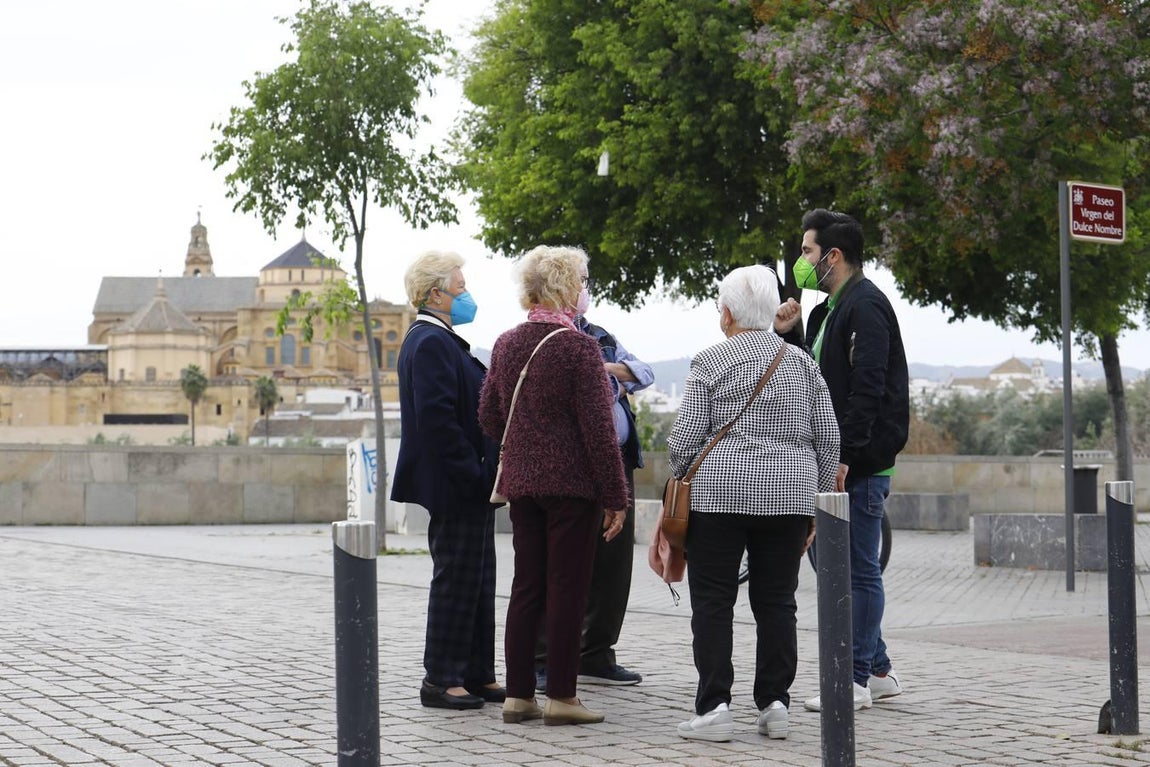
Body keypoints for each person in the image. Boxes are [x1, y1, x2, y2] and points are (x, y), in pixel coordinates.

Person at [669, 264, 840, 742]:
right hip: (789, 498)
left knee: (713, 602)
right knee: (778, 602)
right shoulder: (802, 363)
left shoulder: (710, 361)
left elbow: (683, 441)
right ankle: (775, 703)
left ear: (727, 313)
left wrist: (681, 476)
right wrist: (813, 499)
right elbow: (829, 438)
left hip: (718, 497)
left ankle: (714, 707)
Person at [478, 245, 629, 727]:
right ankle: (562, 695)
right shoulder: (578, 348)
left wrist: (527, 444)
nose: (585, 290)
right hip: (572, 489)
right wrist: (616, 497)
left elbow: (488, 415)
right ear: (564, 286)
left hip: (523, 486)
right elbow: (600, 432)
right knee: (568, 588)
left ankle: (518, 696)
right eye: (582, 281)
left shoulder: (505, 343)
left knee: (526, 586)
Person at [773, 208, 910, 712]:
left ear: (832, 256)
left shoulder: (866, 305)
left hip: (859, 464)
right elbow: (813, 379)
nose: (801, 261)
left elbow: (867, 390)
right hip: (832, 460)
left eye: (806, 251)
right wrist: (790, 334)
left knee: (857, 570)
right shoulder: (824, 311)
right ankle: (878, 670)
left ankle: (853, 680)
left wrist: (845, 457)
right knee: (833, 563)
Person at [391, 251, 504, 711]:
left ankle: (476, 673)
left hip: (469, 486)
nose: (466, 293)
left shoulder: (440, 339)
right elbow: (437, 420)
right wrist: (474, 474)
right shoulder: (430, 342)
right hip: (457, 486)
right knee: (457, 581)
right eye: (460, 287)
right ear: (435, 294)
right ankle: (442, 678)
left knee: (477, 581)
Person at [534, 307, 654, 690]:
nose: (583, 288)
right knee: (559, 564)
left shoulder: (601, 335)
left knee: (613, 563)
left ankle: (596, 653)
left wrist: (609, 372)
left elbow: (645, 373)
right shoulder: (543, 336)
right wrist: (617, 382)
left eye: (585, 281)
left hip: (617, 459)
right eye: (578, 281)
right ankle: (542, 660)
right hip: (573, 463)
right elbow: (578, 393)